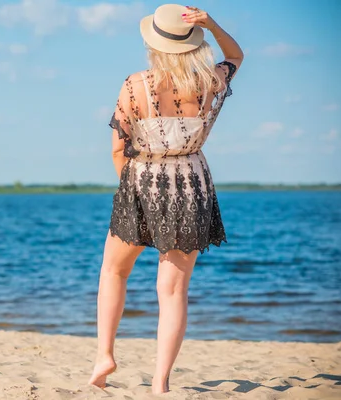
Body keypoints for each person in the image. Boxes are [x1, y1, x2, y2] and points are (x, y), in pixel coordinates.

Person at [88, 4, 244, 394]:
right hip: (190, 182)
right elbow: (236, 56)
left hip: (142, 179)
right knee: (173, 290)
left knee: (114, 271)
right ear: (194, 44)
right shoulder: (211, 81)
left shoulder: (134, 85)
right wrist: (212, 24)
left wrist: (132, 191)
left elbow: (117, 146)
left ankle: (105, 354)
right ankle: (161, 382)